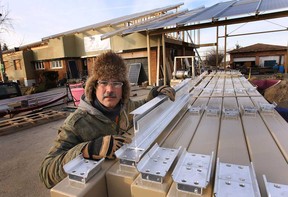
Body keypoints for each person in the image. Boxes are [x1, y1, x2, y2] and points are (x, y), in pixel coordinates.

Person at [39, 51, 176, 189]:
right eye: (103, 82)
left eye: (116, 83)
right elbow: (46, 173)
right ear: (94, 86)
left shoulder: (125, 107)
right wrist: (87, 150)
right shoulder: (77, 123)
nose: (110, 89)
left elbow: (141, 106)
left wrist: (153, 94)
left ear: (123, 88)